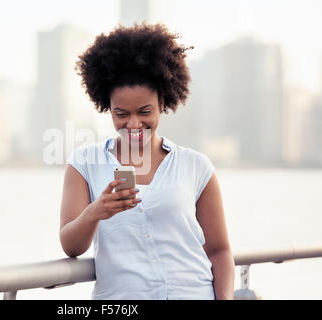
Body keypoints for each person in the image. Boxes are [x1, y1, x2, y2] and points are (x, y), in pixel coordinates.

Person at [59, 23, 234, 300]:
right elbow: (70, 246)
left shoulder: (196, 166)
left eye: (144, 112)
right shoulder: (84, 162)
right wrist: (96, 211)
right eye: (121, 114)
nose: (133, 124)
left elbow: (219, 251)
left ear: (163, 101)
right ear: (106, 106)